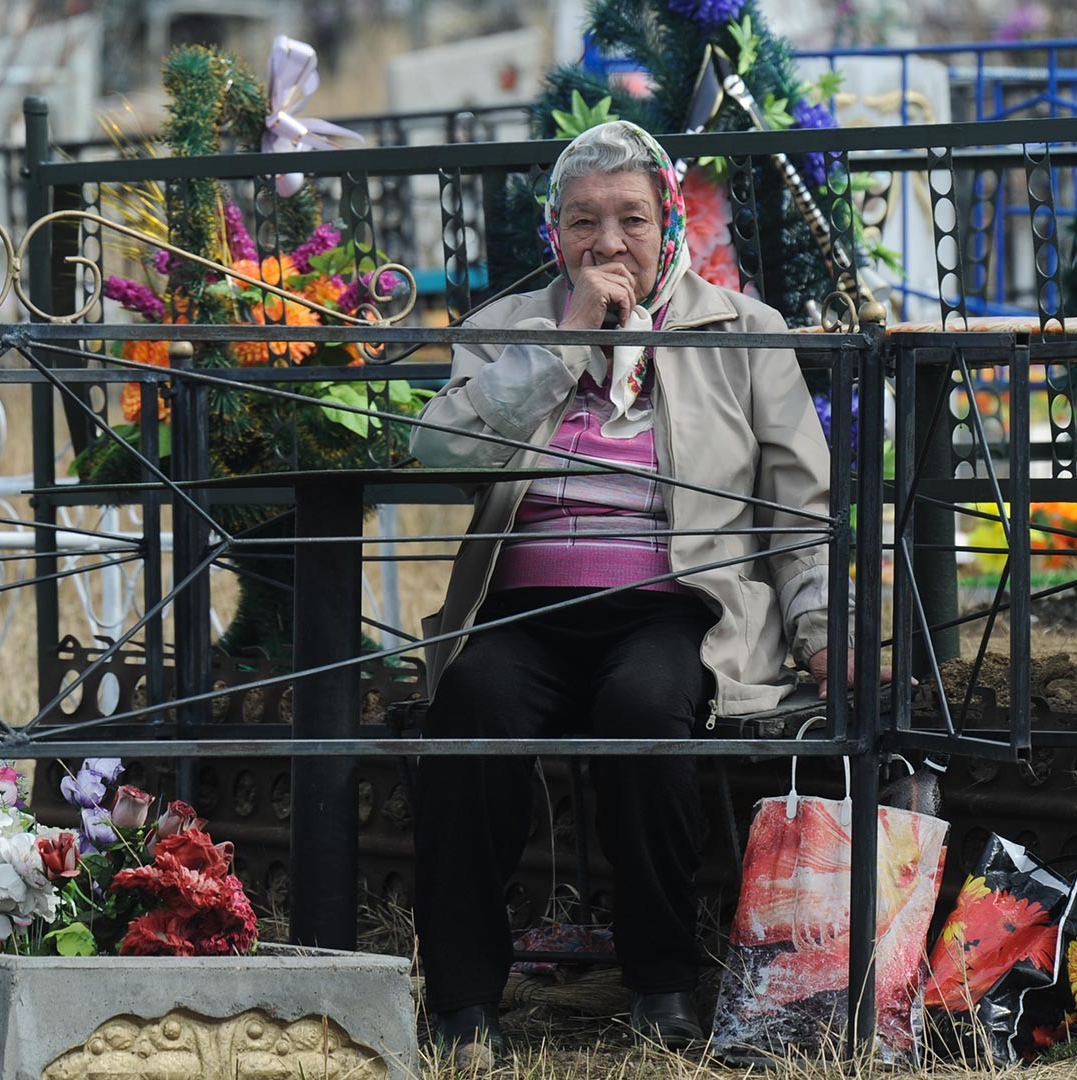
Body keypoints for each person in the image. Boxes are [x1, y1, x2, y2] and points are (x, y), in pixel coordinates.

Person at [408, 120, 838, 1064]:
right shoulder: (505, 333)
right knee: (472, 705)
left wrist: (818, 630)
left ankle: (660, 987)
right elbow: (442, 451)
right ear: (552, 233)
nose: (608, 244)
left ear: (670, 222)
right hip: (527, 610)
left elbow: (801, 511)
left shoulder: (743, 331)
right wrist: (563, 347)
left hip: (676, 605)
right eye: (583, 222)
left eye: (631, 220)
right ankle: (464, 1003)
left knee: (644, 708)